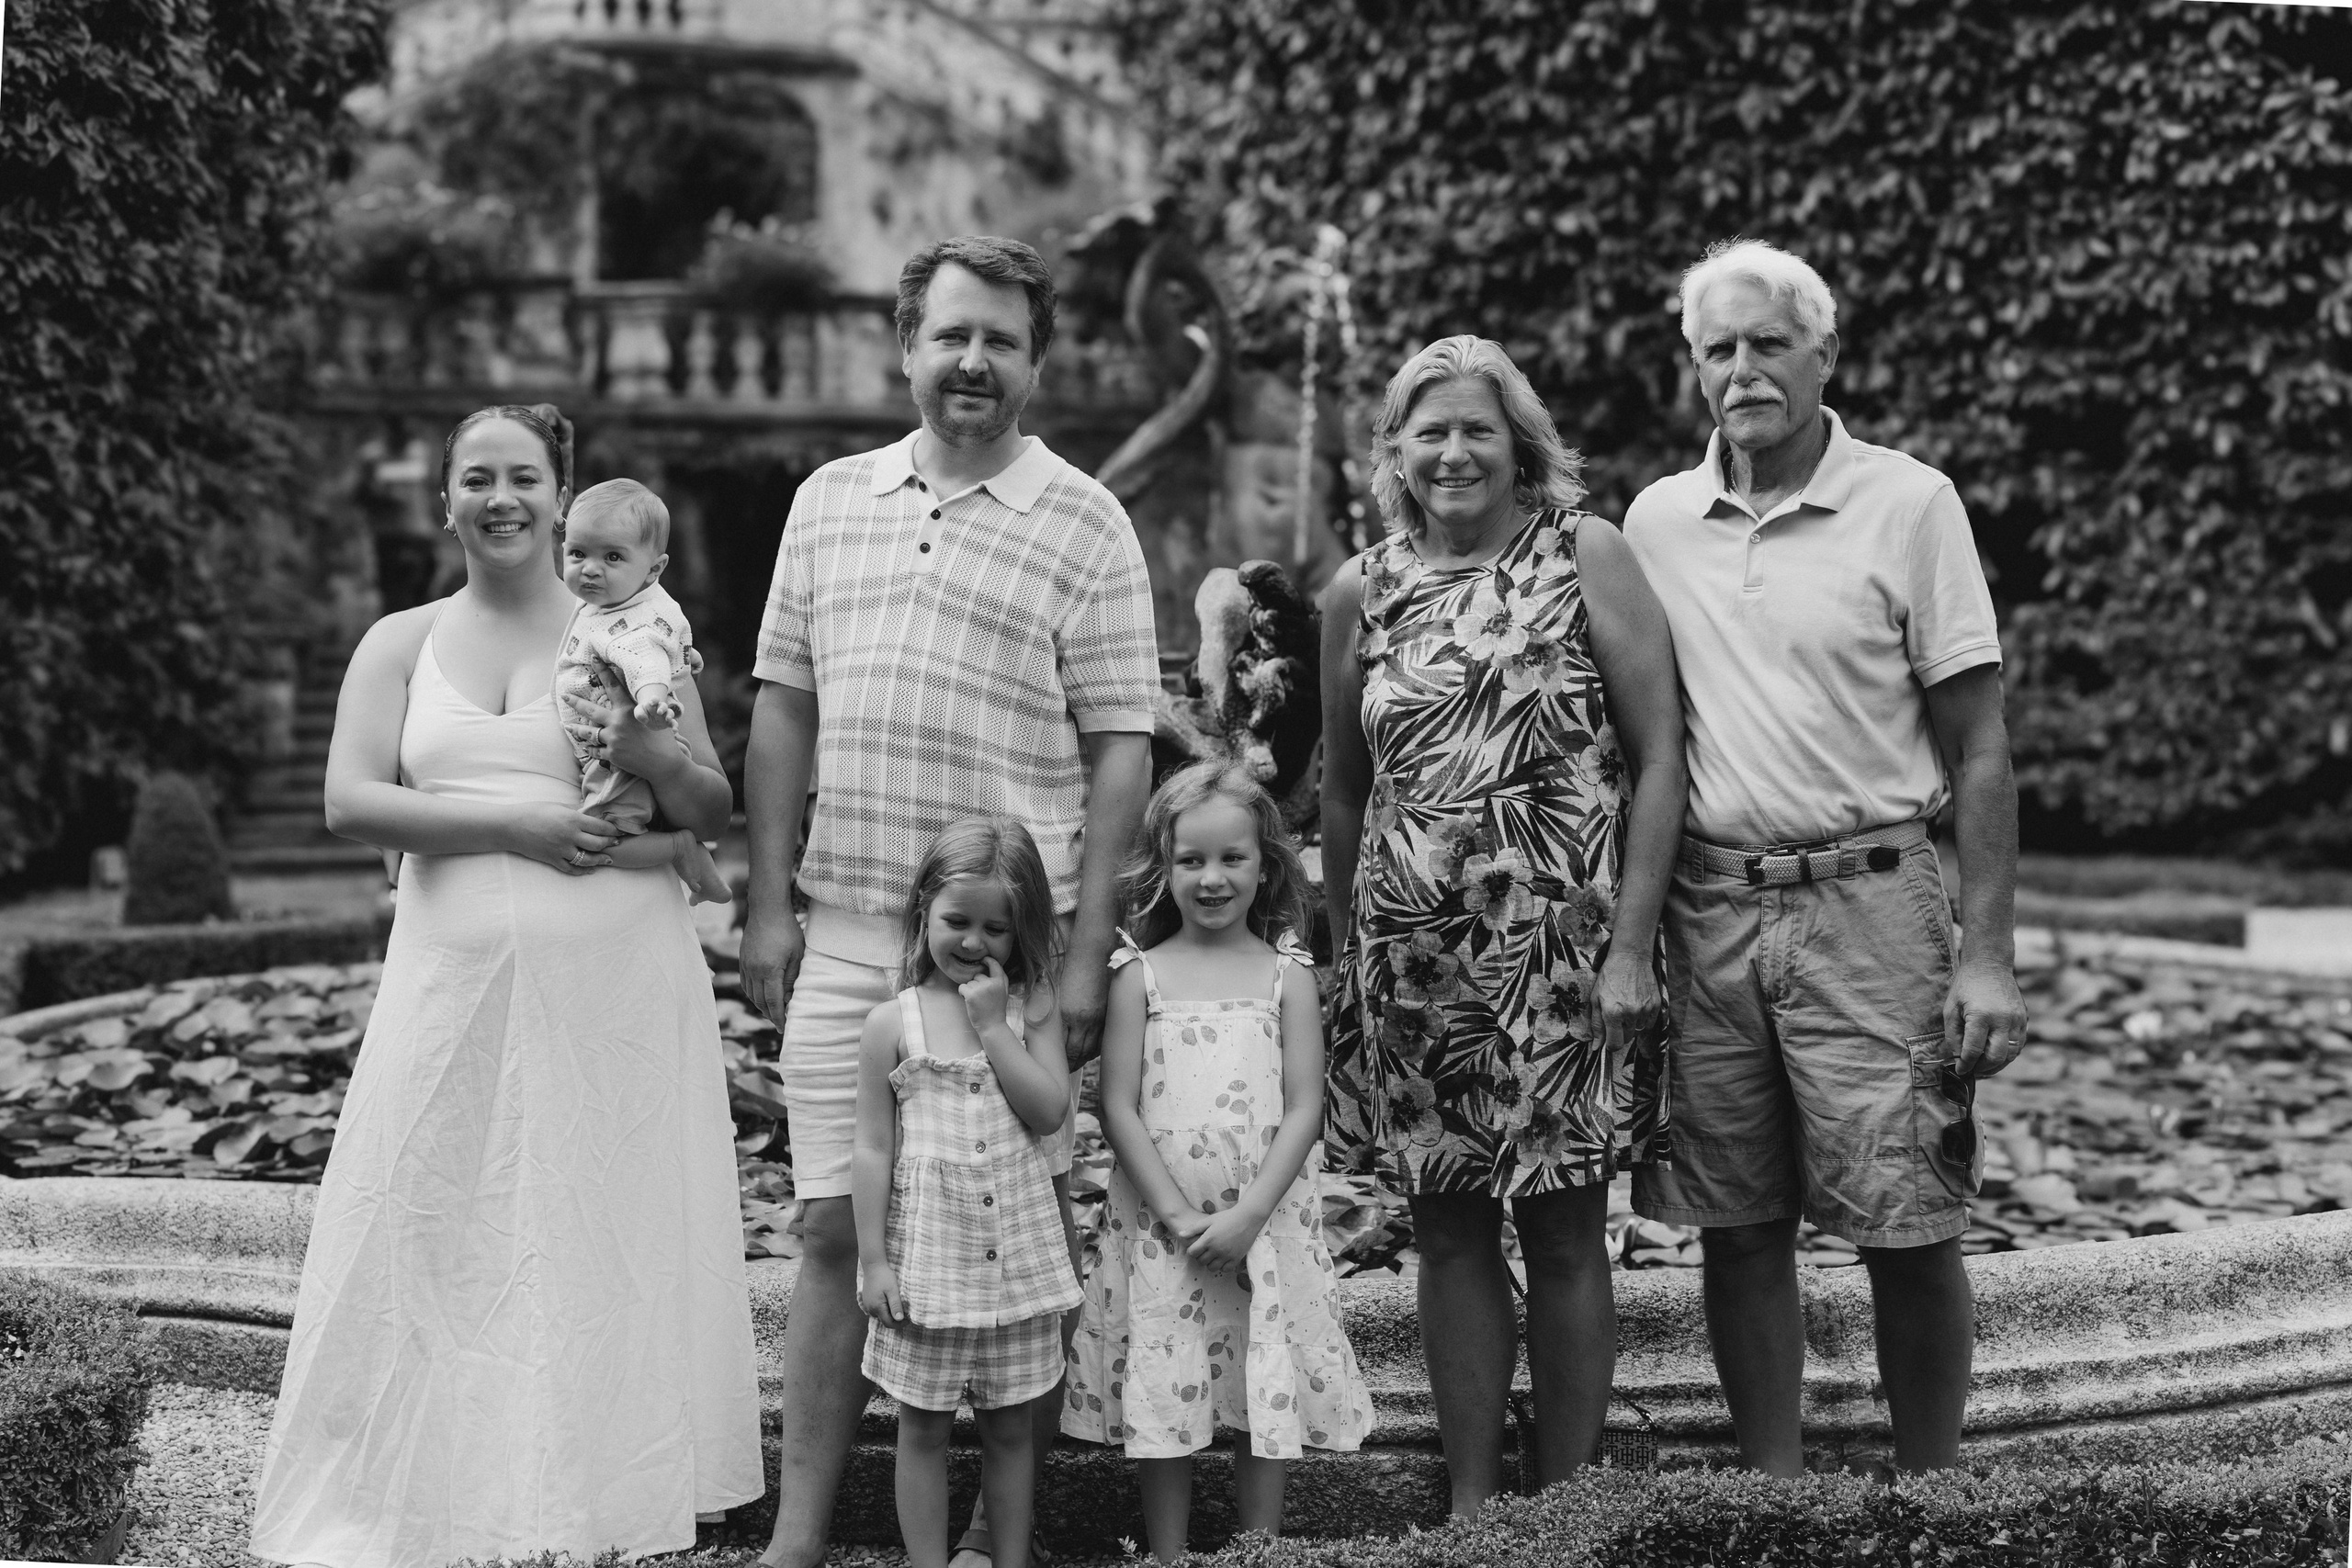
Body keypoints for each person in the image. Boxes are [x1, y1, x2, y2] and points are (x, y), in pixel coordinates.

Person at [252, 405, 762, 1568]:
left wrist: (650, 758)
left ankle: (592, 1501)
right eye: (476, 478)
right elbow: (350, 802)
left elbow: (710, 811)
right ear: (446, 499)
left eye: (524, 478)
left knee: (599, 1232)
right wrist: (518, 827)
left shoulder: (635, 632)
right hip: (449, 982)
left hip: (617, 984)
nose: (501, 499)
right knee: (428, 1221)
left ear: (562, 495)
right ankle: (419, 1496)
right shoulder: (399, 642)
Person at [741, 234, 1159, 1568]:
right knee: (828, 1225)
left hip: (1007, 964)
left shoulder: (1085, 517)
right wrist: (765, 904)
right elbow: (781, 708)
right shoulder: (827, 498)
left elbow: (1121, 747)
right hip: (857, 928)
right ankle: (798, 1536)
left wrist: (1083, 956)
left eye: (1001, 340)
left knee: (1014, 1239)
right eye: (950, 335)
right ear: (906, 347)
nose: (972, 361)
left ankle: (998, 1528)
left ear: (1036, 362)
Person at [1623, 238, 2028, 1475]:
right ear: (1695, 367)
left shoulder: (1910, 503)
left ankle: (1932, 1489)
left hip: (1875, 900)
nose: (1744, 370)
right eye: (1719, 349)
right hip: (1714, 907)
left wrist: (1991, 961)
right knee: (1736, 1224)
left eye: (1768, 344)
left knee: (1910, 1221)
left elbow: (1982, 750)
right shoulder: (1656, 522)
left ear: (1823, 353)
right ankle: (1777, 1493)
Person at [1319, 335, 1687, 1515]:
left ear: (1519, 444)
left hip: (1563, 963)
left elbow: (1660, 756)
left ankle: (1569, 1509)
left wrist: (1632, 948)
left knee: (1569, 1230)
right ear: (1396, 453)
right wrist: (1340, 964)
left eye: (1478, 427)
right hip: (1413, 969)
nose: (1454, 450)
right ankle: (1475, 1509)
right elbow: (1339, 787)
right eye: (1430, 430)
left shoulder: (1585, 554)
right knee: (1449, 1230)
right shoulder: (1359, 588)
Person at [1063, 761, 1372, 1562]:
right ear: (1162, 867)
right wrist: (1177, 1215)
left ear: (1267, 863)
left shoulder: (1287, 976)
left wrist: (1248, 1215)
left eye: (1232, 858)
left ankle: (1256, 1548)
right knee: (1167, 1382)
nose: (1211, 877)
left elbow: (1306, 1105)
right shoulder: (1139, 973)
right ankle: (1167, 1553)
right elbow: (1117, 1102)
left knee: (1259, 1378)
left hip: (1260, 1225)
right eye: (1190, 859)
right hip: (1168, 1228)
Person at [854, 818, 1080, 1568]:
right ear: (923, 909)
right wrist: (873, 1263)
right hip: (930, 1266)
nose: (975, 942)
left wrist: (993, 1027)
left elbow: (1048, 1110)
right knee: (920, 1426)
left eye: (997, 928)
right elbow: (873, 1148)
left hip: (1013, 1264)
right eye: (958, 920)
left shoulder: (1029, 1008)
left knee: (1011, 1428)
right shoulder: (894, 1022)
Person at [554, 476, 732, 906]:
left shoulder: (625, 623)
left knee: (597, 835)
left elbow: (644, 660)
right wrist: (683, 655)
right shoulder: (616, 603)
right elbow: (667, 642)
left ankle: (682, 852)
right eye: (577, 554)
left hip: (623, 759)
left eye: (612, 557)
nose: (590, 568)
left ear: (653, 569)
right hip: (629, 750)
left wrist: (653, 701)